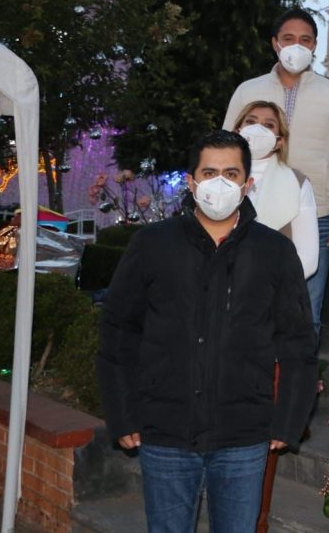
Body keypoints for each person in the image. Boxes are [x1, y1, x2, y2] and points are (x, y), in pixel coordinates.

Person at [97, 131, 317, 532]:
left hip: (243, 435)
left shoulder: (275, 252)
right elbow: (118, 334)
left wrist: (288, 421)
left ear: (248, 184)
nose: (220, 182)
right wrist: (122, 414)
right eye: (210, 172)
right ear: (191, 181)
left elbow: (298, 343)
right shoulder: (151, 245)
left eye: (231, 173)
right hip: (164, 430)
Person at [223, 9, 329, 344]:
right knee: (243, 305)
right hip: (251, 215)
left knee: (305, 314)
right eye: (288, 39)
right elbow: (225, 148)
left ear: (315, 45)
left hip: (316, 218)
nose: (296, 46)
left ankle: (297, 392)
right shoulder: (249, 90)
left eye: (305, 40)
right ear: (275, 44)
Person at [231, 100, 319, 278]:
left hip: (273, 291)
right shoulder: (215, 176)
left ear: (280, 141)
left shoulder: (297, 183)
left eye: (268, 125)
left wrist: (267, 284)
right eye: (251, 121)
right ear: (237, 131)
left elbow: (308, 259)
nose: (258, 129)